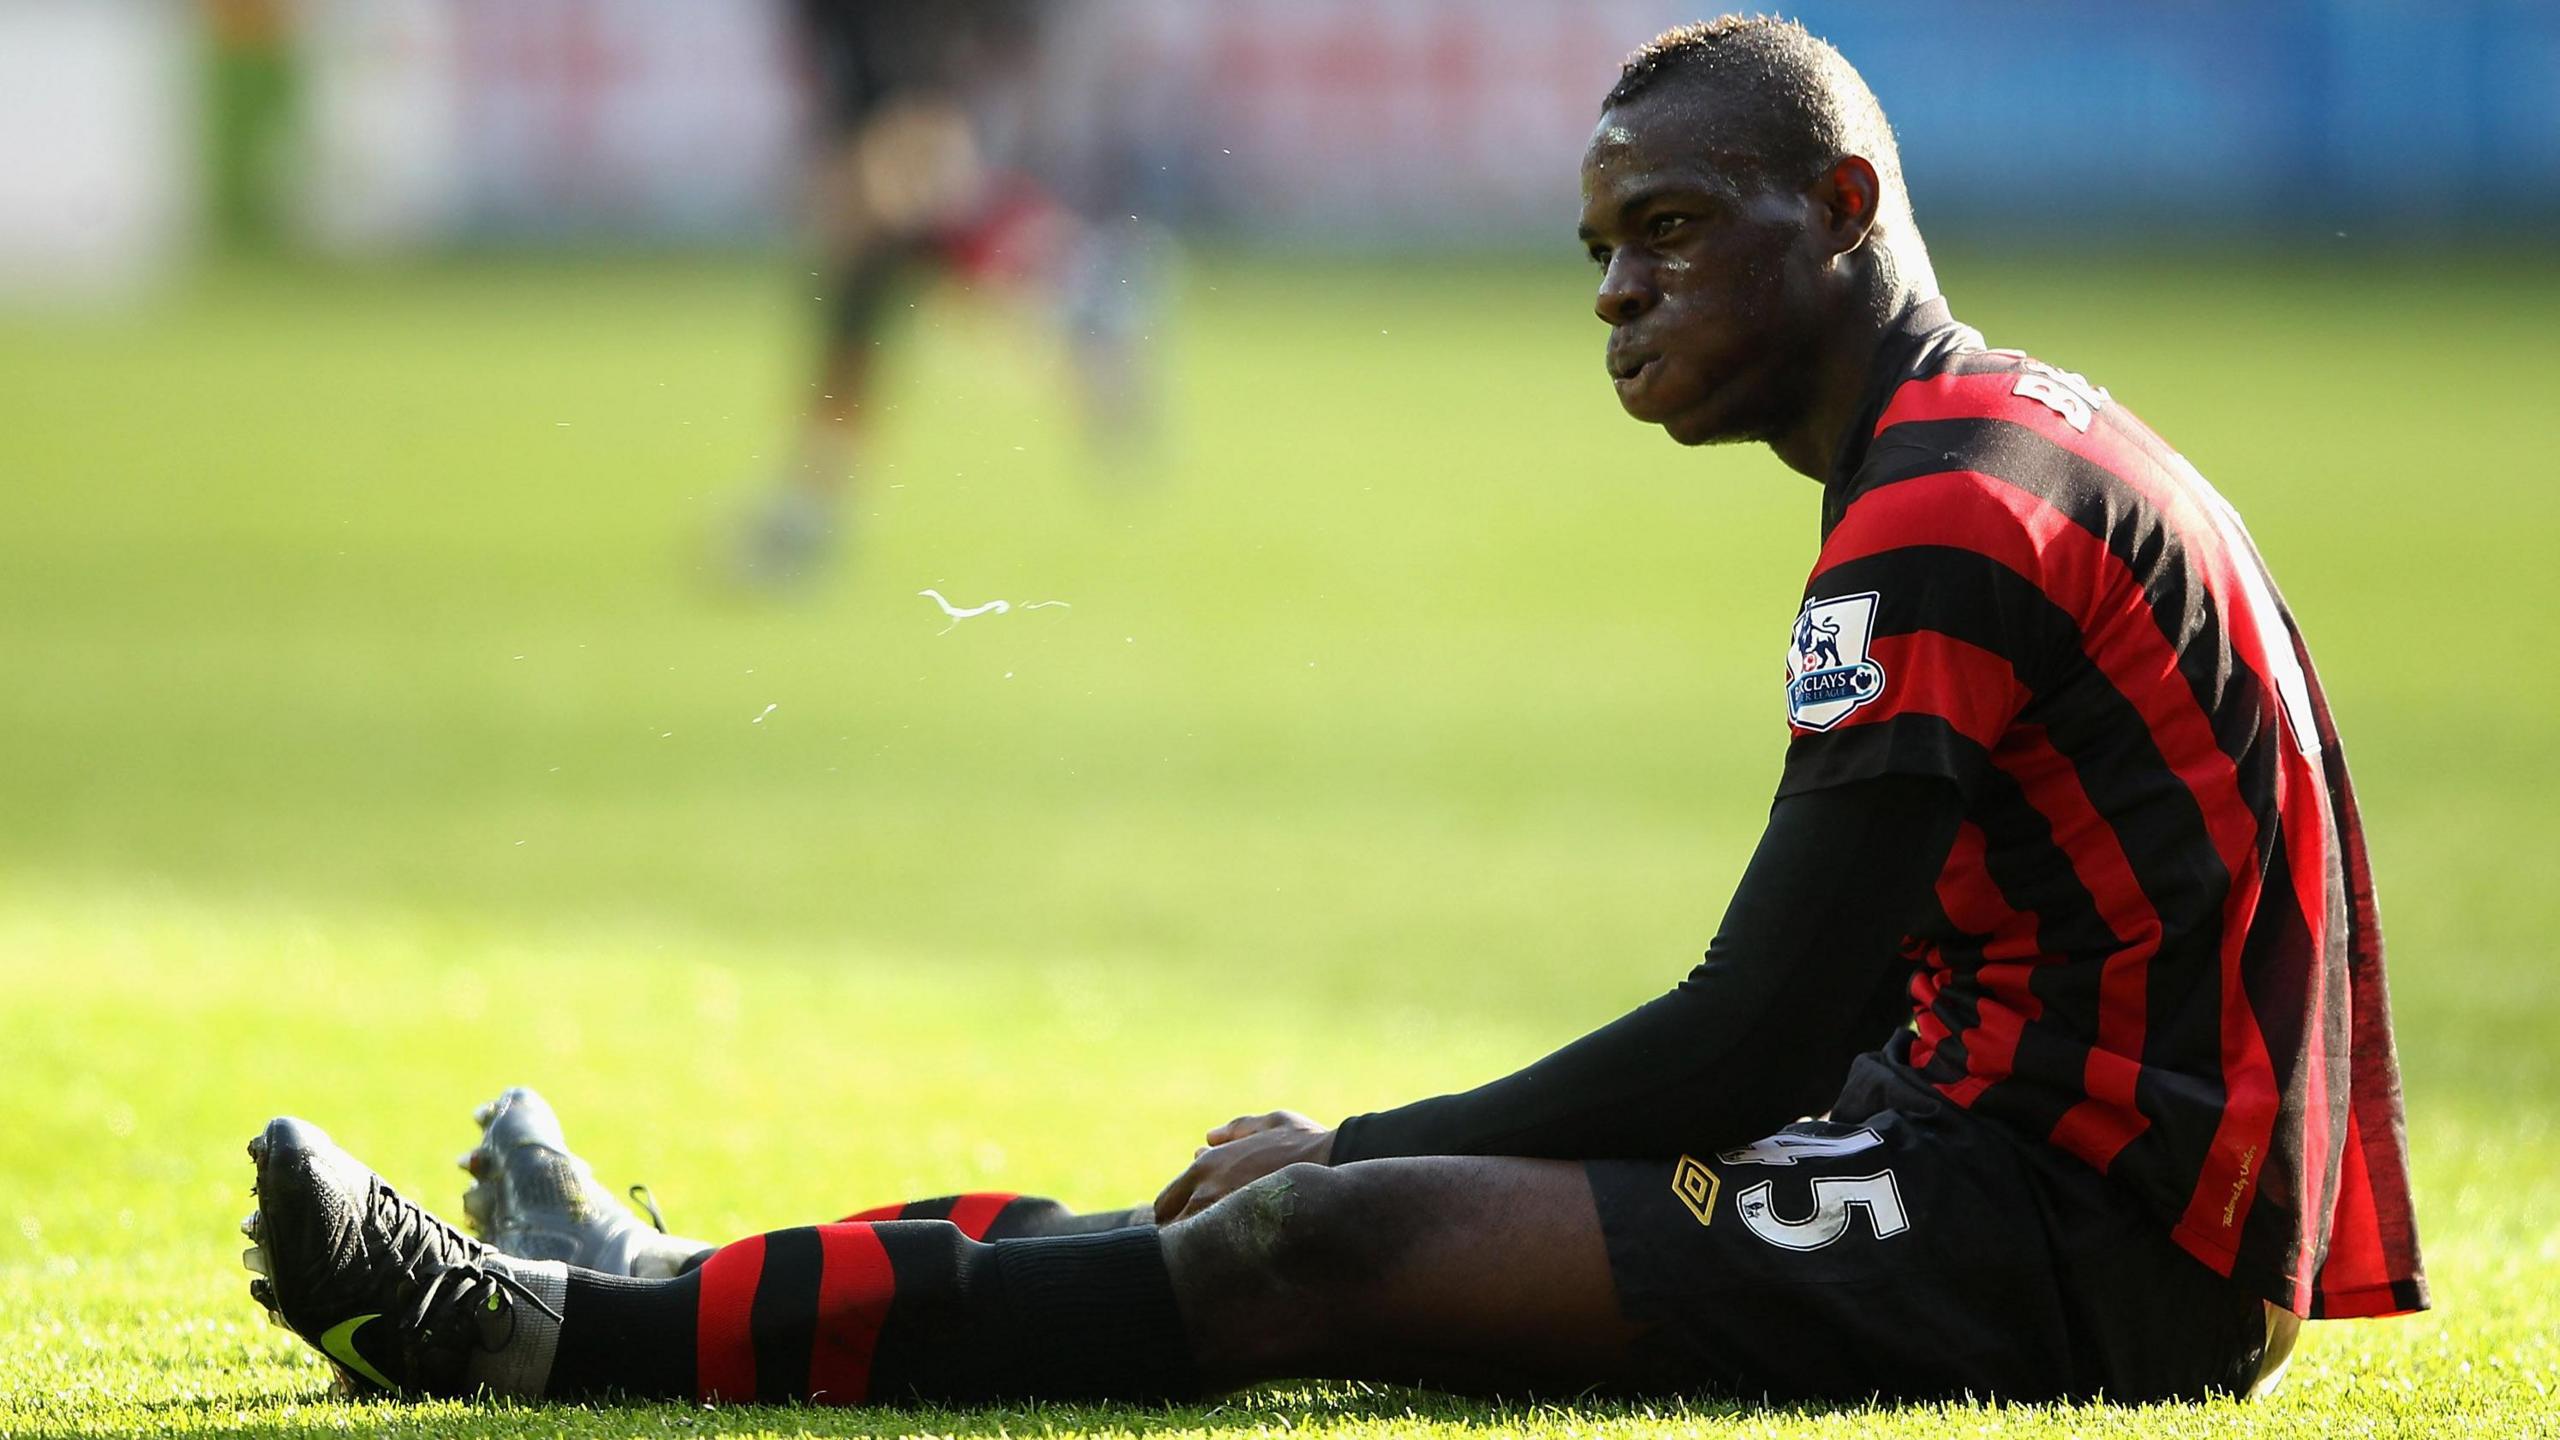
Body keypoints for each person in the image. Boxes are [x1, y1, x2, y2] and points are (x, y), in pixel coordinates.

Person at [236, 16, 2425, 1406]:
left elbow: (1756, 1029)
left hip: (2075, 1253)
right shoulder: (1992, 442)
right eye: (1592, 251)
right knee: (1288, 1234)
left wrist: (1367, 1147)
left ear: (1844, 210)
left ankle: (529, 1337)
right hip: (2000, 1167)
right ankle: (662, 1283)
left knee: (1311, 1236)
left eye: (1667, 230)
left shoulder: (1942, 509)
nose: (1617, 295)